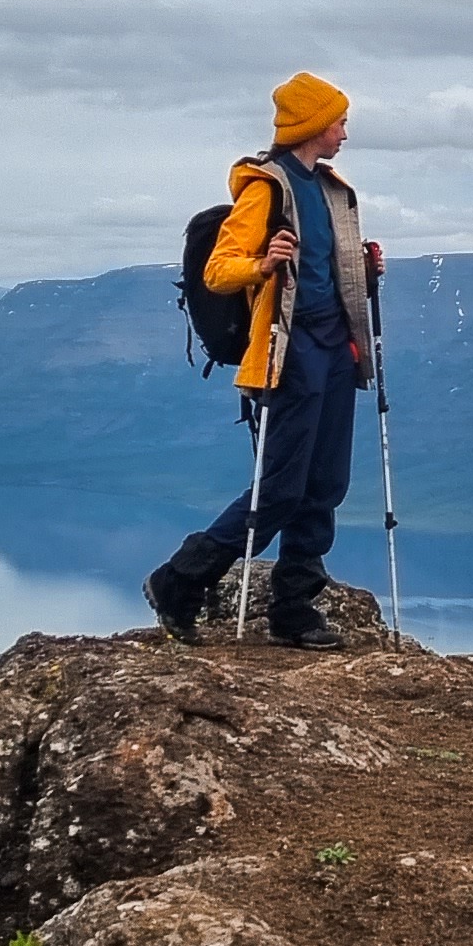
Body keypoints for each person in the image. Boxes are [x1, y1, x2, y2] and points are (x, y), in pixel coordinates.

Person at [145, 71, 377, 649]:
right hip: (288, 352)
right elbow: (218, 270)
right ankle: (180, 579)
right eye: (339, 121)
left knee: (326, 483)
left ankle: (294, 608)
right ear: (314, 125)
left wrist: (365, 271)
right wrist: (263, 265)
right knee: (280, 488)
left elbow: (325, 268)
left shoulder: (328, 189)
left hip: (335, 349)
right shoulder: (265, 189)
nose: (345, 132)